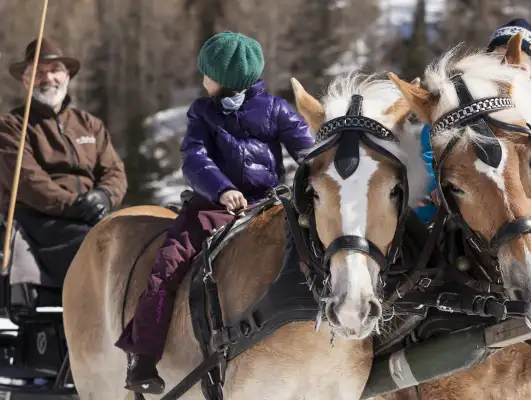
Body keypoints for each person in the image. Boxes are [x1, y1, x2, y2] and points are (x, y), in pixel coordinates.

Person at [114, 31, 315, 394]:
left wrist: (314, 180)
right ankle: (143, 355)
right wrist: (223, 189)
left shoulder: (276, 110)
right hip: (211, 208)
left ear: (225, 79)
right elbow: (194, 158)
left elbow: (309, 153)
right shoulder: (202, 113)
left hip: (266, 207)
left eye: (207, 73)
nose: (202, 79)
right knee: (168, 266)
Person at [0, 38, 127, 285]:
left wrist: (103, 197)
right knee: (98, 245)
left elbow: (115, 171)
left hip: (94, 216)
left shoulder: (90, 124)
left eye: (55, 70)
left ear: (67, 76)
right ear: (26, 81)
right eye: (39, 72)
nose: (49, 78)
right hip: (39, 223)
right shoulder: (12, 126)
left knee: (143, 238)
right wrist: (75, 205)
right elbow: (28, 181)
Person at [414, 18, 531, 224]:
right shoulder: (459, 104)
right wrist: (433, 186)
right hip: (462, 191)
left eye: (521, 66)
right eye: (500, 60)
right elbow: (432, 147)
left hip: (522, 195)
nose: (509, 69)